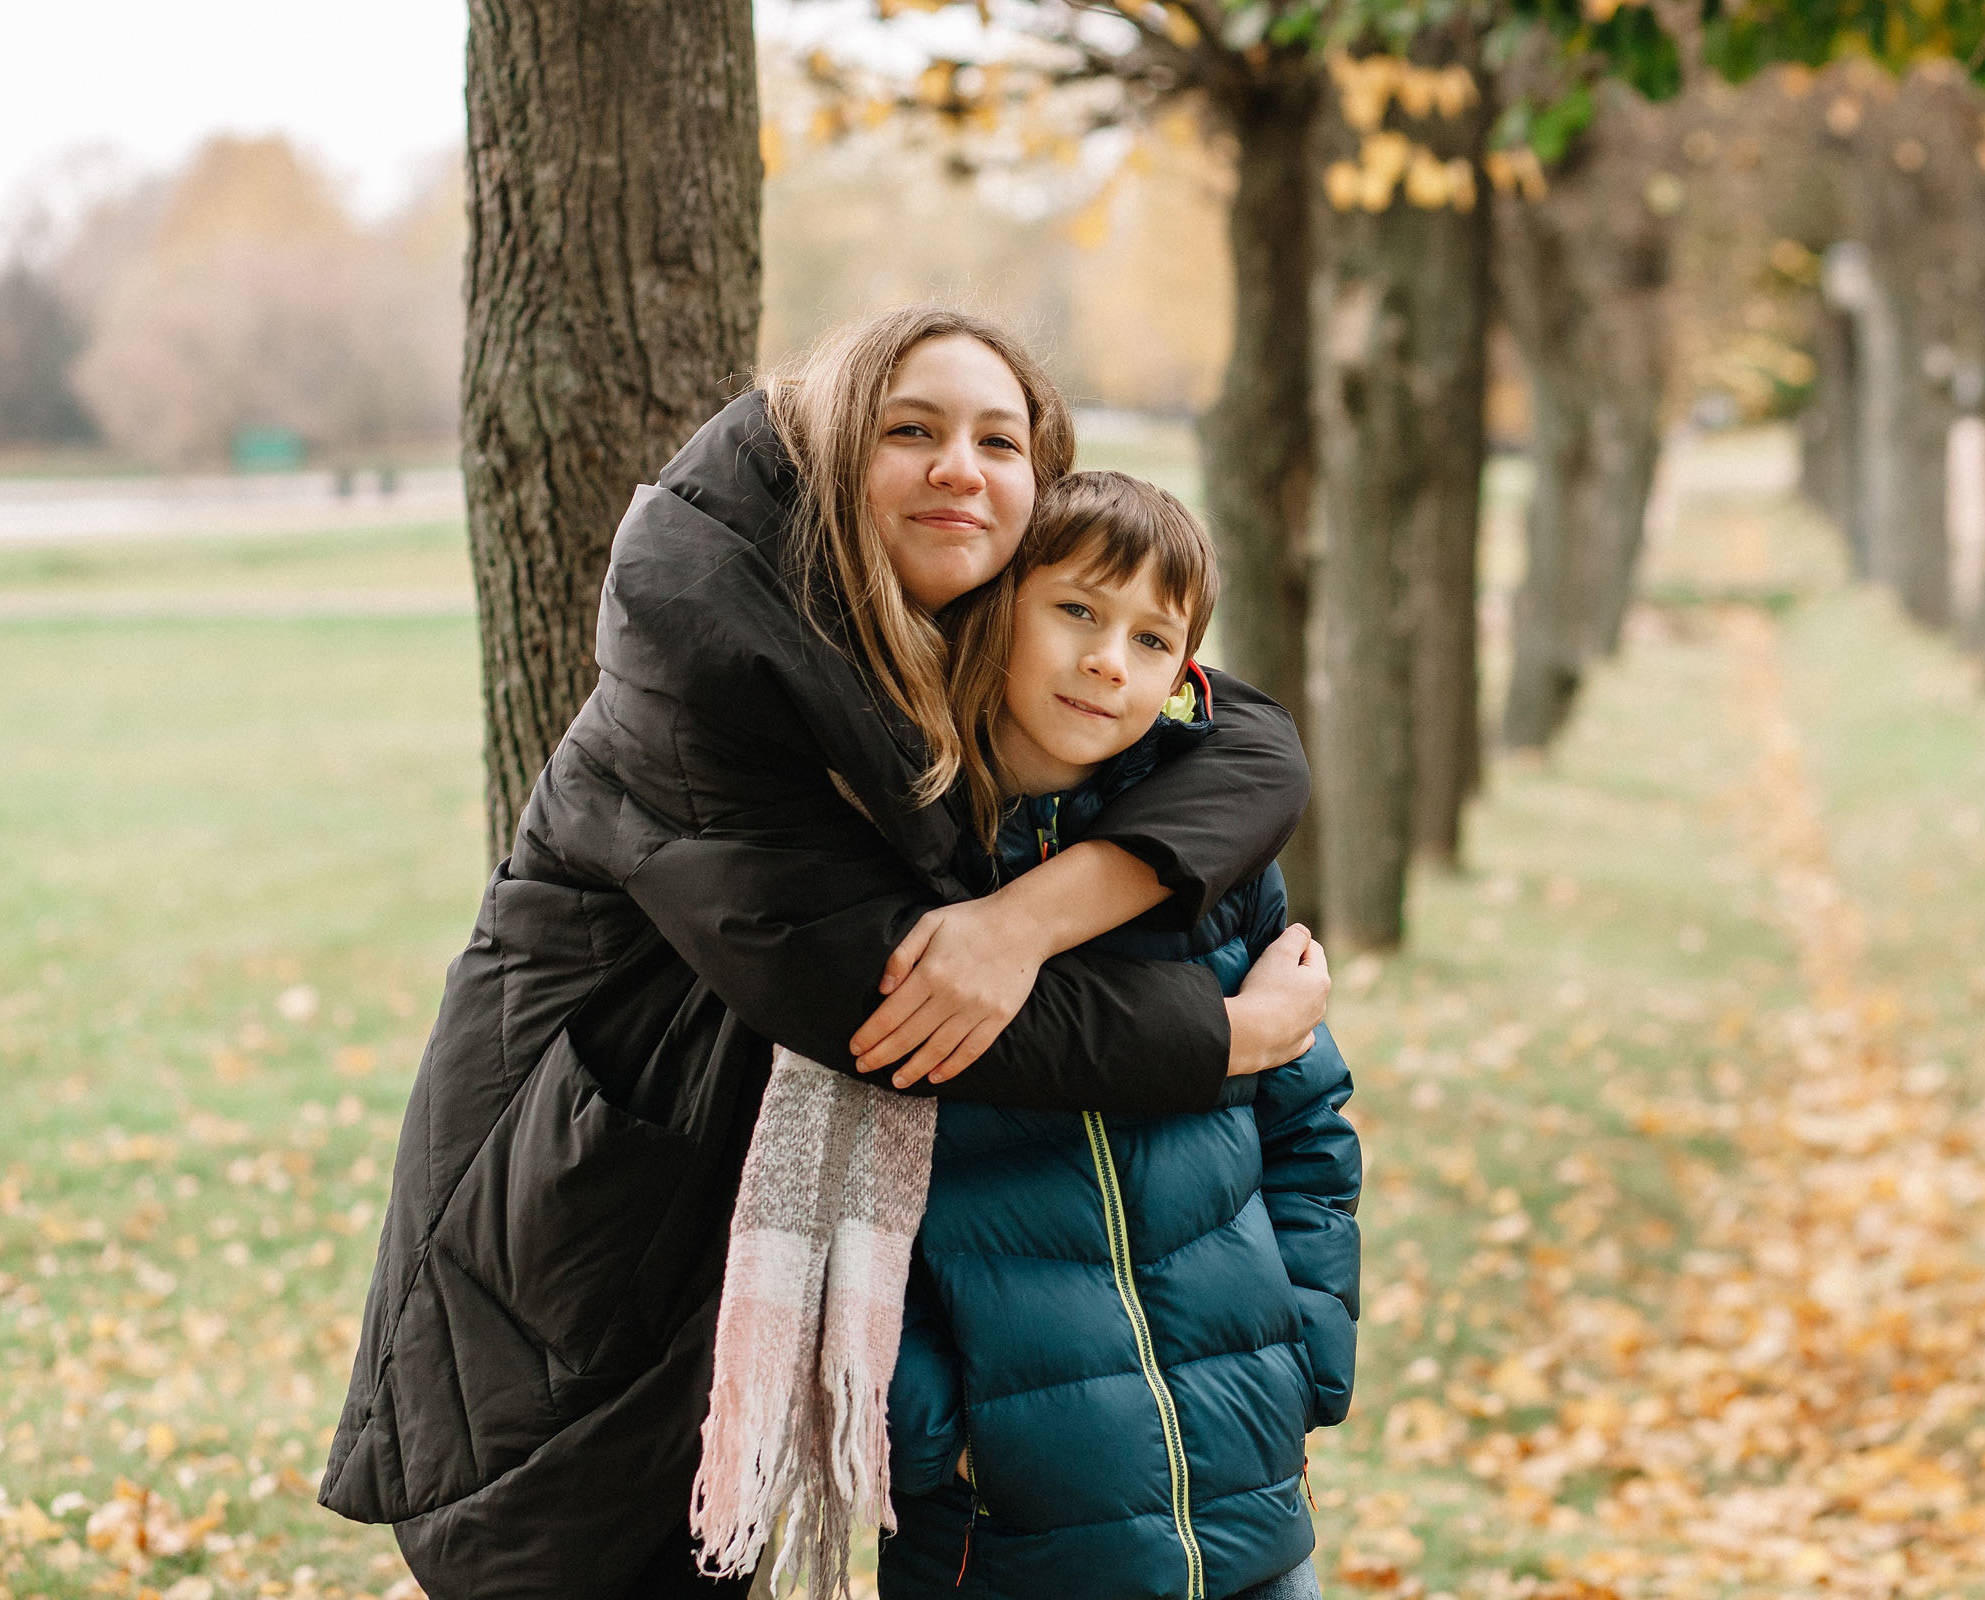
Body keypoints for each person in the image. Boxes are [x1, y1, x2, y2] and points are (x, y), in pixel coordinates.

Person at [317, 306, 1332, 1600]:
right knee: (576, 1549)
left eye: (1000, 442)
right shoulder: (709, 654)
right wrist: (1230, 1034)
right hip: (596, 1208)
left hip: (748, 1201)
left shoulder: (968, 635)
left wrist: (1029, 917)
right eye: (912, 431)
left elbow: (1248, 736)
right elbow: (890, 1001)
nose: (959, 467)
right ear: (837, 447)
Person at [879, 471, 1358, 1600]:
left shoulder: (1211, 869)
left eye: (1152, 639)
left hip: (1247, 1506)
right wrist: (938, 1438)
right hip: (1003, 1536)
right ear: (995, 611)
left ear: (1186, 673)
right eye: (1078, 611)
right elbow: (844, 1179)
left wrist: (1303, 1358)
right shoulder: (908, 875)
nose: (1109, 661)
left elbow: (1308, 1127)